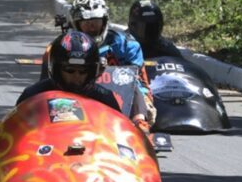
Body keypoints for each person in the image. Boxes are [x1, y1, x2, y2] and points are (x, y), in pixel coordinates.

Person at [17, 31, 153, 133]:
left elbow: (118, 134)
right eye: (70, 70)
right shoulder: (33, 94)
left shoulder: (105, 98)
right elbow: (14, 128)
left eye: (83, 71)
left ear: (92, 71)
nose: (77, 77)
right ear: (57, 69)